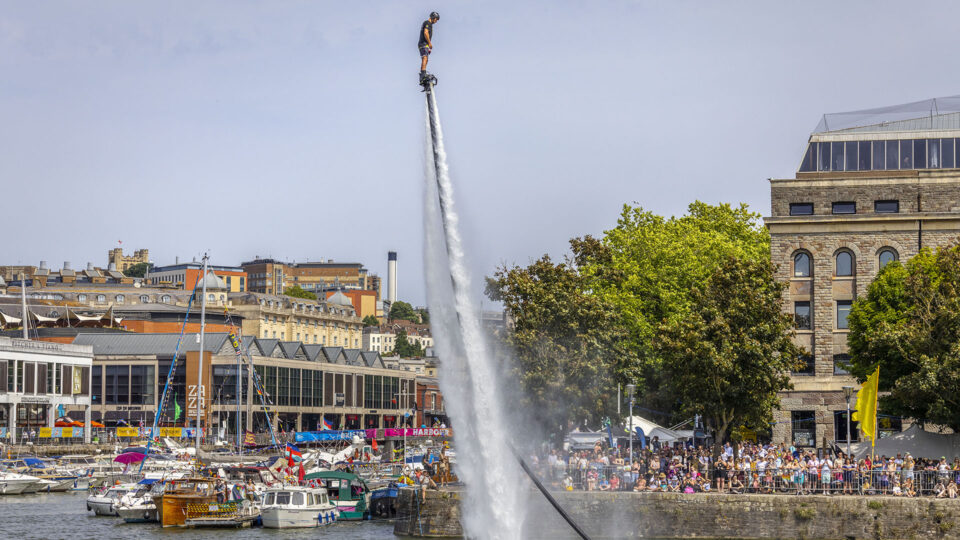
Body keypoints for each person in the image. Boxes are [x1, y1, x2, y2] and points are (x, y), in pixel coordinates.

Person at [418, 12, 440, 83]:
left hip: (425, 44)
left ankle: (422, 74)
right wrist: (429, 43)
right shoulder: (428, 23)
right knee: (425, 58)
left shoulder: (429, 24)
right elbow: (425, 33)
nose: (436, 21)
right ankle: (423, 75)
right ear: (433, 18)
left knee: (426, 59)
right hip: (423, 43)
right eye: (436, 19)